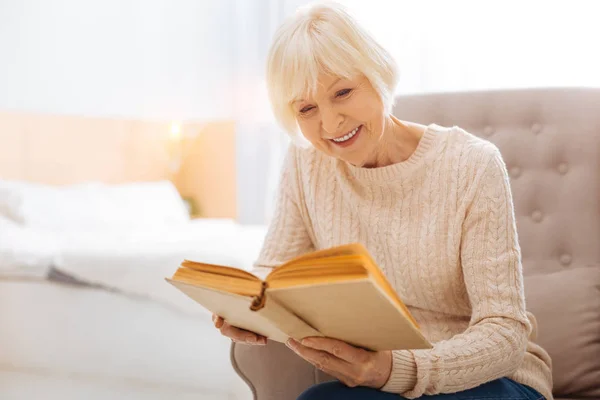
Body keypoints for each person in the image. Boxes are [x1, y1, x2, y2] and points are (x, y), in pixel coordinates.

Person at [213, 2, 553, 399]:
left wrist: (397, 369)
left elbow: (505, 334)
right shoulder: (307, 163)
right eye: (307, 108)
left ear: (378, 75)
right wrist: (251, 310)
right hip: (379, 381)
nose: (330, 124)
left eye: (342, 92)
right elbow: (275, 272)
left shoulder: (471, 164)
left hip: (486, 379)